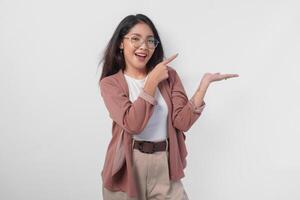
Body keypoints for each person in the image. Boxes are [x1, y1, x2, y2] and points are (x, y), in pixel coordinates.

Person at [98, 14, 239, 200]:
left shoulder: (170, 76)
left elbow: (181, 123)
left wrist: (203, 85)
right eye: (135, 39)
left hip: (164, 163)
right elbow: (132, 124)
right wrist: (151, 83)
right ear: (121, 43)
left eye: (150, 40)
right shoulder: (110, 84)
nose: (143, 46)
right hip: (128, 165)